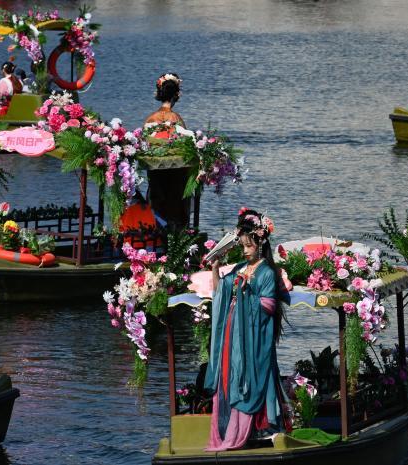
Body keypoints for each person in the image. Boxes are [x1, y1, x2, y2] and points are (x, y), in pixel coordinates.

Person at [204, 209, 288, 451]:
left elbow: (268, 306)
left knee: (253, 376)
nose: (244, 250)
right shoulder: (239, 267)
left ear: (260, 243)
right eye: (242, 246)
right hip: (233, 332)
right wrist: (215, 268)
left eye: (248, 246)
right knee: (231, 375)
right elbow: (221, 292)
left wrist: (246, 293)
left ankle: (258, 430)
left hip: (254, 336)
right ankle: (230, 429)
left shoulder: (267, 273)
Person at [144, 72, 190, 228]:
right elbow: (186, 149)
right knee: (175, 208)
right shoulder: (177, 120)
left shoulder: (150, 119)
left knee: (157, 203)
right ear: (176, 95)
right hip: (176, 178)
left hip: (156, 174)